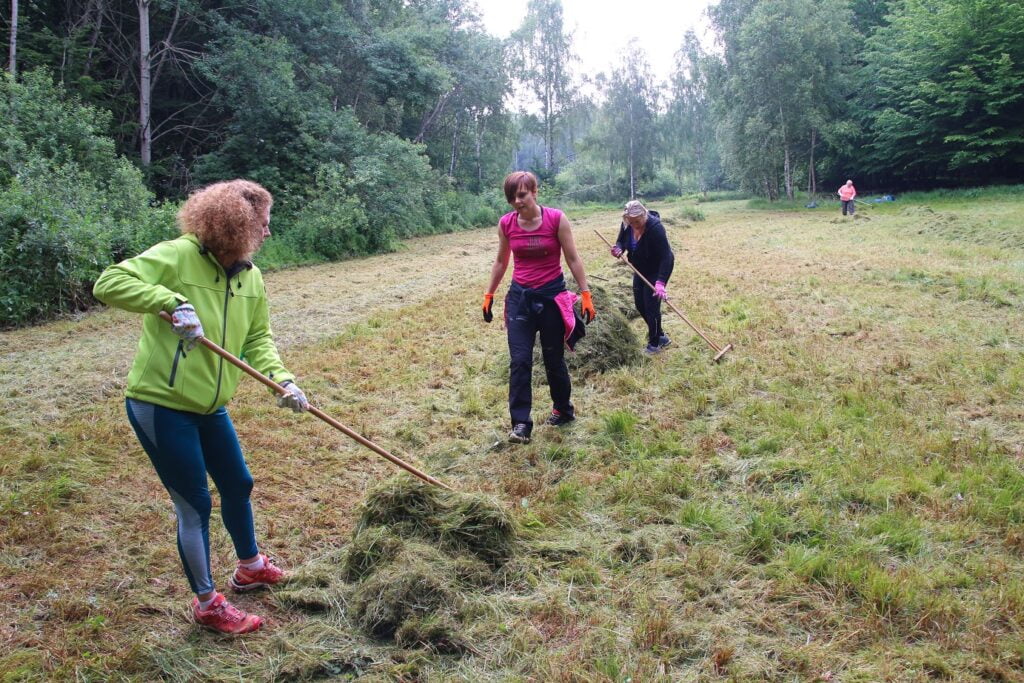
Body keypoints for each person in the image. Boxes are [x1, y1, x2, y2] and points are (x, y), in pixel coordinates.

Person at [93, 179, 309, 634]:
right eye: (263, 225)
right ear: (237, 225)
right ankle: (208, 603)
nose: (268, 233)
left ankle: (249, 567)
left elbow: (257, 339)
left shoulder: (250, 275)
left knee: (238, 483)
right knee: (194, 503)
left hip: (212, 406)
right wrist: (169, 301)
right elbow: (109, 282)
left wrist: (282, 380)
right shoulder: (177, 255)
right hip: (161, 403)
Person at [482, 171, 596, 444]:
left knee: (552, 359)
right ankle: (521, 424)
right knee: (520, 361)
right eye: (511, 198)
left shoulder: (556, 219)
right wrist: (489, 294)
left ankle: (563, 409)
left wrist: (586, 292)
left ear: (535, 192)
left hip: (551, 297)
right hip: (520, 298)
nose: (516, 202)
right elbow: (500, 262)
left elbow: (572, 258)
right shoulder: (507, 224)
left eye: (521, 195)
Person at [611, 200, 675, 355]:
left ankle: (654, 344)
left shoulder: (656, 229)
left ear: (644, 214)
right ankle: (661, 336)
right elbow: (621, 241)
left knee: (651, 307)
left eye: (637, 221)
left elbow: (667, 257)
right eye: (631, 222)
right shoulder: (627, 224)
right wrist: (619, 248)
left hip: (655, 270)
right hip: (639, 269)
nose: (635, 225)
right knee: (640, 305)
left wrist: (660, 282)